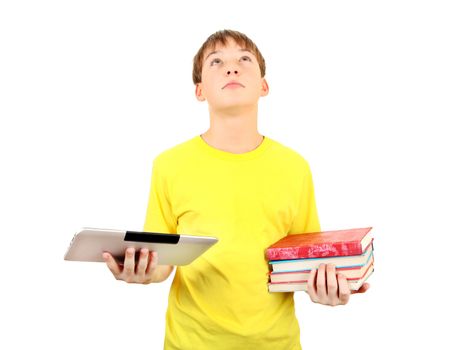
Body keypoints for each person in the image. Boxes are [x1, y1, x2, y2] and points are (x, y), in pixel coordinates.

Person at [103, 29, 370, 350]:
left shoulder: (294, 166)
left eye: (244, 59)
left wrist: (332, 288)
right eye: (216, 61)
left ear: (264, 85)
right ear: (199, 90)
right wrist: (143, 272)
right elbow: (163, 262)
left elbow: (302, 264)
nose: (231, 68)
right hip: (191, 343)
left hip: (276, 344)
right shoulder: (169, 165)